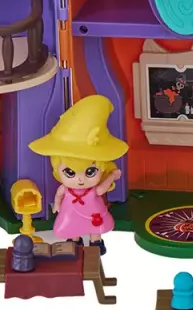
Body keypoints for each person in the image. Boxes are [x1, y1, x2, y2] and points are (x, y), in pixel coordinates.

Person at [28, 95, 127, 255]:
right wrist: (57, 205)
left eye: (90, 172)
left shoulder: (92, 190)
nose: (80, 179)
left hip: (93, 211)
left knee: (95, 227)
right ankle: (74, 241)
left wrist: (111, 176)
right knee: (72, 226)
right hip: (71, 212)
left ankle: (96, 243)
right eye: (70, 173)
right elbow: (59, 195)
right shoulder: (66, 189)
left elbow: (101, 190)